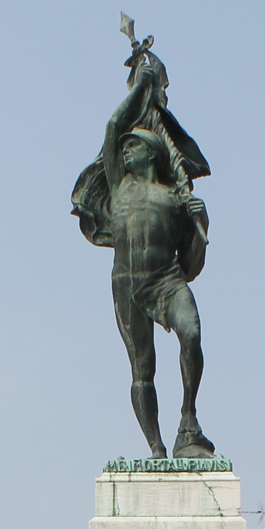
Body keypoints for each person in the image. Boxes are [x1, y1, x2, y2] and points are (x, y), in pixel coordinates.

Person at [73, 58, 216, 460]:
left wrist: (200, 220)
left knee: (191, 332)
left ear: (150, 153)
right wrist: (141, 87)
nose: (123, 150)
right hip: (127, 283)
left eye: (132, 147)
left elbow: (192, 262)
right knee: (143, 371)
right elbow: (112, 128)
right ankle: (156, 448)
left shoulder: (174, 197)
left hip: (167, 278)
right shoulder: (119, 187)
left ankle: (188, 421)